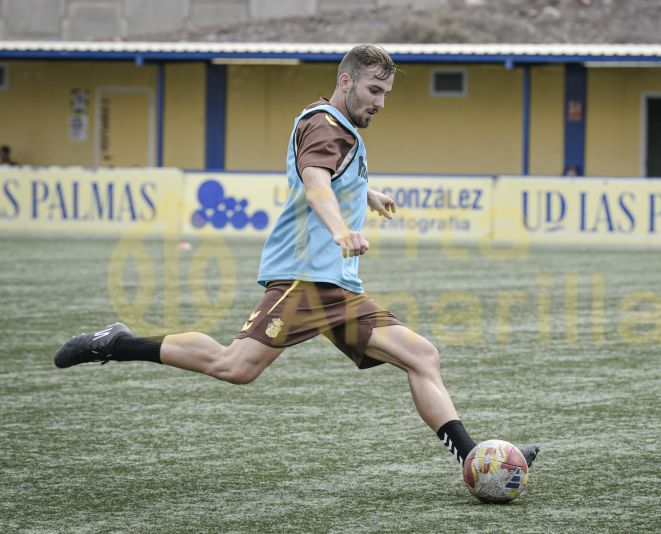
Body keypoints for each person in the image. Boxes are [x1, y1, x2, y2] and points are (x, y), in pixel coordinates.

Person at [53, 44, 539, 472]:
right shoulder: (325, 127)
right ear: (345, 80)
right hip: (304, 278)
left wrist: (368, 193)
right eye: (374, 90)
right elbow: (316, 182)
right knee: (235, 366)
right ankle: (117, 343)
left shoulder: (334, 125)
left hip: (337, 287)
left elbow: (334, 174)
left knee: (422, 355)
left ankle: (474, 458)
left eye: (386, 93)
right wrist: (341, 229)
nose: (380, 102)